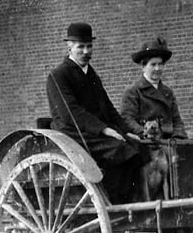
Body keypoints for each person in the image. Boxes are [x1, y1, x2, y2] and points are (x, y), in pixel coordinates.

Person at [46, 22, 149, 203]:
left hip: (95, 131)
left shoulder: (91, 75)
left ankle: (128, 200)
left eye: (89, 46)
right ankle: (110, 202)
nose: (86, 51)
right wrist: (105, 130)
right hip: (72, 132)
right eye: (81, 47)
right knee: (120, 150)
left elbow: (108, 109)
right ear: (69, 47)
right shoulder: (58, 75)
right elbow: (70, 112)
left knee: (139, 148)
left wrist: (129, 131)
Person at [121, 37, 188, 139]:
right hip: (146, 141)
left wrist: (178, 138)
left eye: (160, 64)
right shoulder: (133, 91)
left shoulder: (168, 92)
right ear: (143, 66)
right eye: (153, 64)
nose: (157, 69)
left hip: (168, 141)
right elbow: (127, 119)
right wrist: (144, 133)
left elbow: (177, 121)